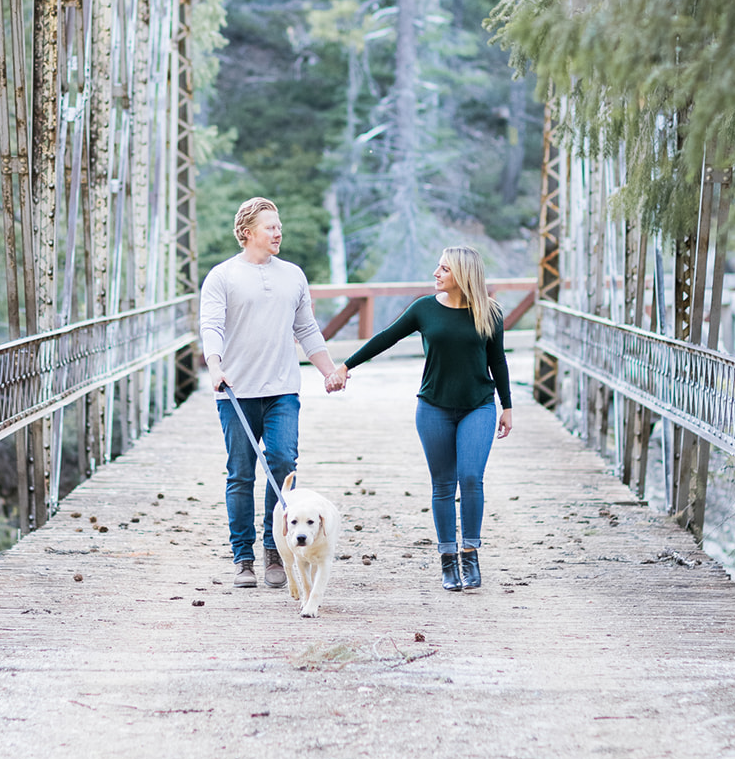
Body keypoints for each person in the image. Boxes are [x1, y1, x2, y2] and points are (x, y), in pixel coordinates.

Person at [329, 245, 512, 592]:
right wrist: (346, 365)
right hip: (434, 408)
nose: (436, 273)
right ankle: (448, 561)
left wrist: (507, 406)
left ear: (462, 275)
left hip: (479, 406)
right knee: (443, 485)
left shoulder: (490, 313)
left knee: (471, 477)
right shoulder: (424, 309)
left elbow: (498, 361)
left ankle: (470, 554)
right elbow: (385, 338)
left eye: (443, 269)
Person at [201, 196, 341, 590]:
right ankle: (243, 557)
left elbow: (307, 329)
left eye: (279, 226)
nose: (278, 232)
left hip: (282, 389)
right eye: (270, 227)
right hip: (235, 391)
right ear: (247, 233)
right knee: (241, 474)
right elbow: (210, 326)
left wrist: (329, 370)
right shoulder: (222, 276)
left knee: (282, 465)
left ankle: (274, 549)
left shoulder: (293, 275)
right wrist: (215, 365)